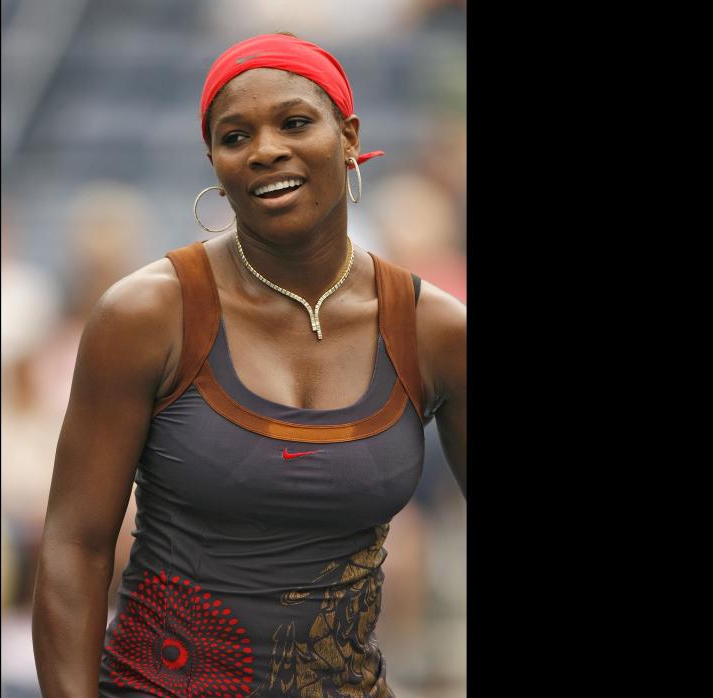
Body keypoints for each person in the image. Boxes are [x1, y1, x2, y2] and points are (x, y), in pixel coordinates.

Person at [31, 32, 466, 698]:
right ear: (214, 160)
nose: (266, 150)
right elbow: (74, 549)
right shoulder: (145, 315)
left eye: (294, 123)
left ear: (348, 137)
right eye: (236, 137)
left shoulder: (434, 329)